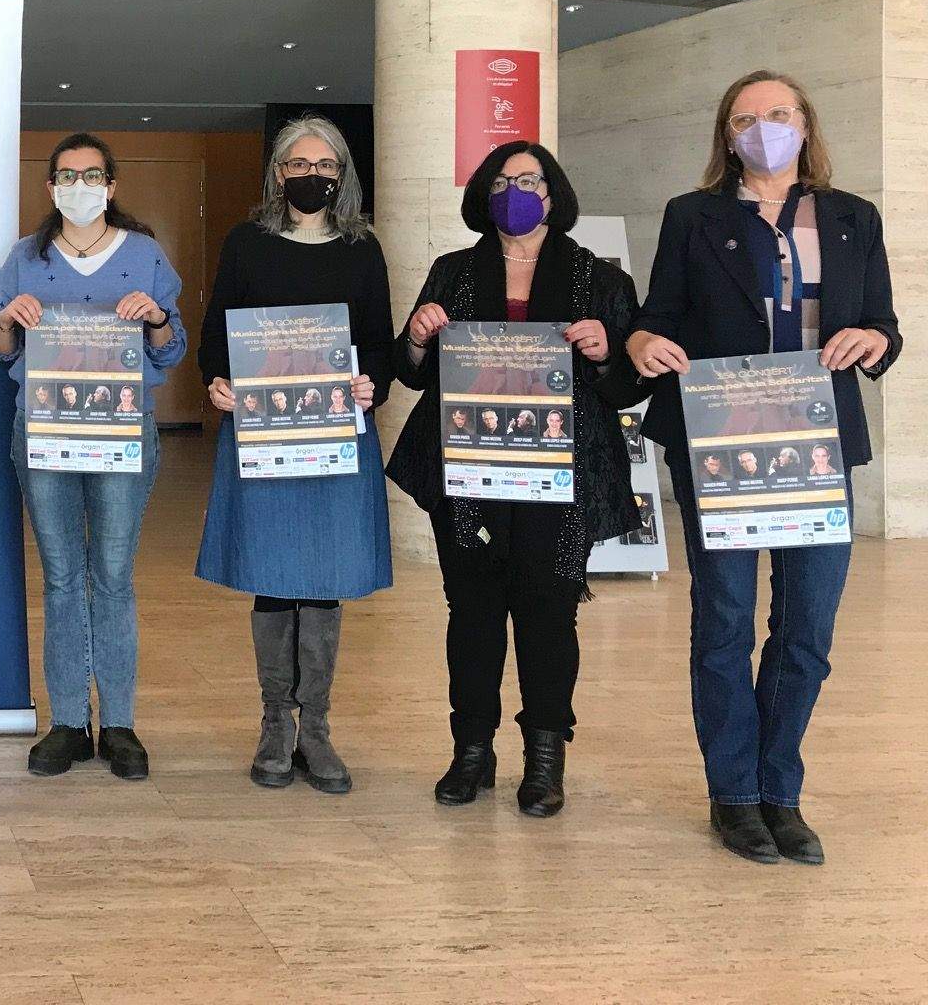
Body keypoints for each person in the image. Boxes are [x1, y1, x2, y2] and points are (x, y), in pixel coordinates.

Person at [627, 69, 899, 867]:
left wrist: (875, 341)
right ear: (726, 135)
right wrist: (644, 343)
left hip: (816, 442)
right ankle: (735, 796)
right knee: (724, 623)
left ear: (806, 123)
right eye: (745, 118)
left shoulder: (853, 217)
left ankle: (782, 789)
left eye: (778, 114)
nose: (763, 128)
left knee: (808, 627)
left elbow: (880, 319)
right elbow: (658, 315)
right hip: (722, 443)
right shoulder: (694, 216)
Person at [388, 140, 644, 819]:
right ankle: (471, 749)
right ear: (483, 194)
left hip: (561, 475)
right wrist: (417, 335)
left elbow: (627, 388)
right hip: (468, 471)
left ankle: (545, 757)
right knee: (471, 611)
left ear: (553, 195)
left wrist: (605, 350)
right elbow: (411, 369)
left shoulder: (602, 280)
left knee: (549, 610)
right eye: (503, 181)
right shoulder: (452, 271)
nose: (517, 191)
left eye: (529, 180)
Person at [195, 115, 392, 795]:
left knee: (327, 575)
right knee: (275, 575)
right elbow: (217, 329)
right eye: (298, 165)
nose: (313, 176)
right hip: (263, 433)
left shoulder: (363, 249)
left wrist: (374, 384)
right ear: (277, 174)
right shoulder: (246, 244)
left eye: (325, 165)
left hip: (337, 433)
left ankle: (319, 728)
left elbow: (379, 342)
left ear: (342, 174)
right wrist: (216, 381)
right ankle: (276, 722)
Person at [0, 132, 186, 781]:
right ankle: (69, 721)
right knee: (64, 578)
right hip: (43, 434)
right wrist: (9, 321)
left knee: (114, 575)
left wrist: (155, 316)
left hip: (123, 434)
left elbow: (171, 347)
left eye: (91, 175)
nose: (79, 186)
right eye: (66, 176)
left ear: (111, 185)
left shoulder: (146, 255)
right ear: (50, 188)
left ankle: (120, 723)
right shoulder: (25, 258)